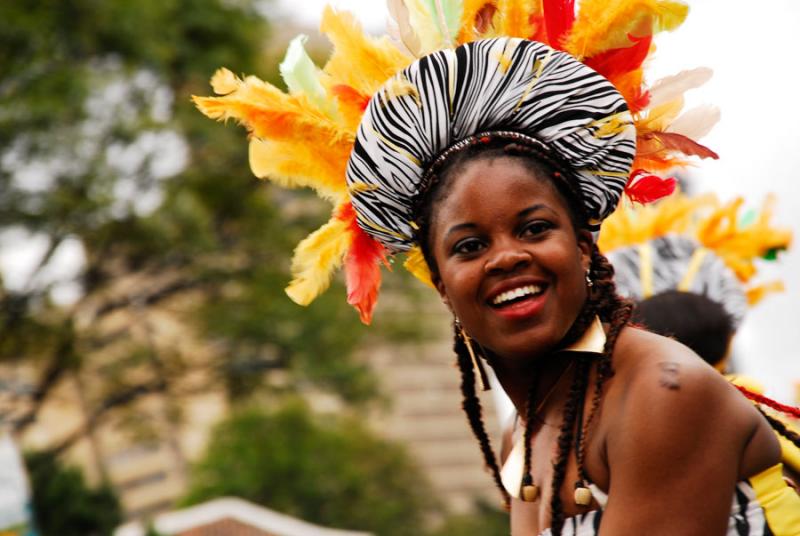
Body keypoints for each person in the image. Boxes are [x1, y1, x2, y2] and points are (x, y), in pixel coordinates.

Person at [194, 1, 800, 534]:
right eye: (467, 246)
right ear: (440, 282)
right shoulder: (529, 431)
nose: (507, 256)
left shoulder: (662, 393)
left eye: (535, 228)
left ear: (585, 245)